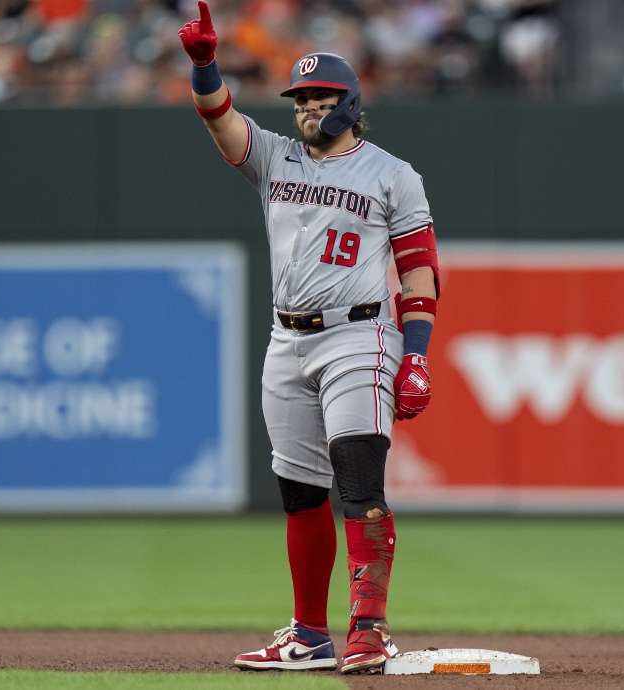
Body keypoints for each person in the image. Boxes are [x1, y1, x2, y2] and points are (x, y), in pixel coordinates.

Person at [177, 1, 439, 675]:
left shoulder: (391, 173)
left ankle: (370, 630)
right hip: (286, 339)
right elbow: (220, 117)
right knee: (298, 490)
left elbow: (419, 272)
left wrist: (416, 356)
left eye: (320, 97)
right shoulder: (274, 158)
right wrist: (206, 65)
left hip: (359, 335)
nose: (307, 108)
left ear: (351, 102)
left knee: (359, 479)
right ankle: (309, 633)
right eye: (299, 98)